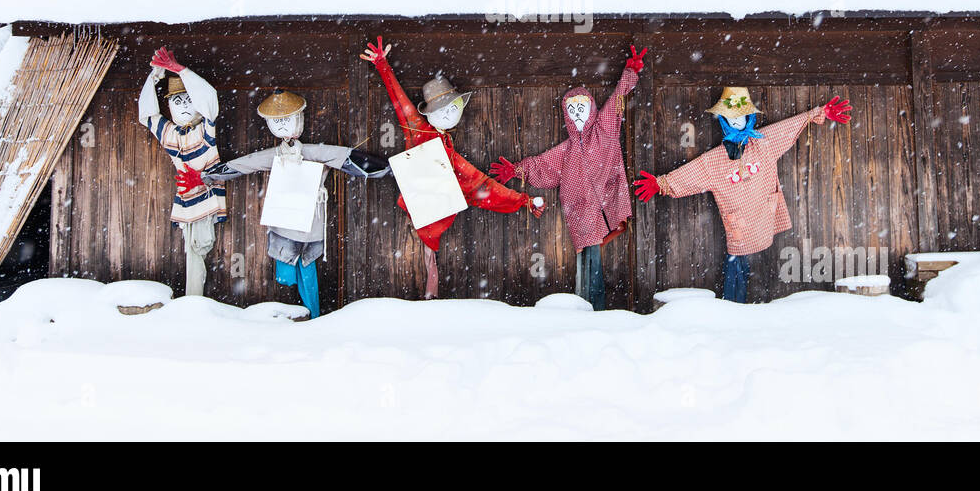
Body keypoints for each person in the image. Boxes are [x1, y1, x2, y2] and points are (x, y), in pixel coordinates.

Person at [178, 89, 389, 318]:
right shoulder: (276, 154)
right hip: (284, 219)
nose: (281, 126)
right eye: (276, 121)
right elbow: (247, 163)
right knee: (287, 272)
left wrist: (387, 168)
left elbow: (347, 158)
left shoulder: (314, 152)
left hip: (309, 219)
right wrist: (207, 176)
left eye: (285, 120)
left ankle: (313, 315)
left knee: (307, 270)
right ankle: (295, 313)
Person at [360, 36, 540, 298]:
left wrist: (522, 200)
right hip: (423, 206)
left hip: (435, 204)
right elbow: (400, 103)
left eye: (452, 108)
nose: (449, 114)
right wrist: (382, 65)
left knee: (430, 256)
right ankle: (429, 294)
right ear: (429, 114)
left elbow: (480, 184)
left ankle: (430, 294)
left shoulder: (448, 149)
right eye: (442, 110)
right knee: (425, 256)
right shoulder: (419, 131)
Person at [634, 87, 852, 302]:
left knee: (762, 269)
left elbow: (787, 128)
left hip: (765, 219)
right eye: (731, 117)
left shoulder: (763, 143)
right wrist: (662, 183)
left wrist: (816, 114)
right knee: (737, 267)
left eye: (740, 116)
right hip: (739, 228)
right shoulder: (716, 160)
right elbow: (693, 172)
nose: (736, 121)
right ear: (723, 121)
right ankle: (733, 306)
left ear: (749, 117)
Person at [489, 45, 647, 310]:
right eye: (572, 112)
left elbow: (618, 96)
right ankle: (586, 306)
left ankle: (595, 306)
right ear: (566, 115)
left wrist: (630, 73)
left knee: (595, 260)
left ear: (592, 109)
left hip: (608, 200)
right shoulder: (567, 150)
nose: (578, 116)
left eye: (582, 110)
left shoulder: (604, 130)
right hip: (581, 213)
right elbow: (543, 165)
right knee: (586, 261)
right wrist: (518, 169)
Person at [138, 47, 226, 297]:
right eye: (178, 101)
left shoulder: (205, 130)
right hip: (185, 198)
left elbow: (209, 103)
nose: (184, 107)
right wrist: (154, 76)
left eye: (188, 100)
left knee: (199, 248)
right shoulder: (170, 134)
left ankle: (194, 299)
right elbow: (147, 115)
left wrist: (182, 72)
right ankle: (193, 298)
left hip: (207, 195)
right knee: (192, 250)